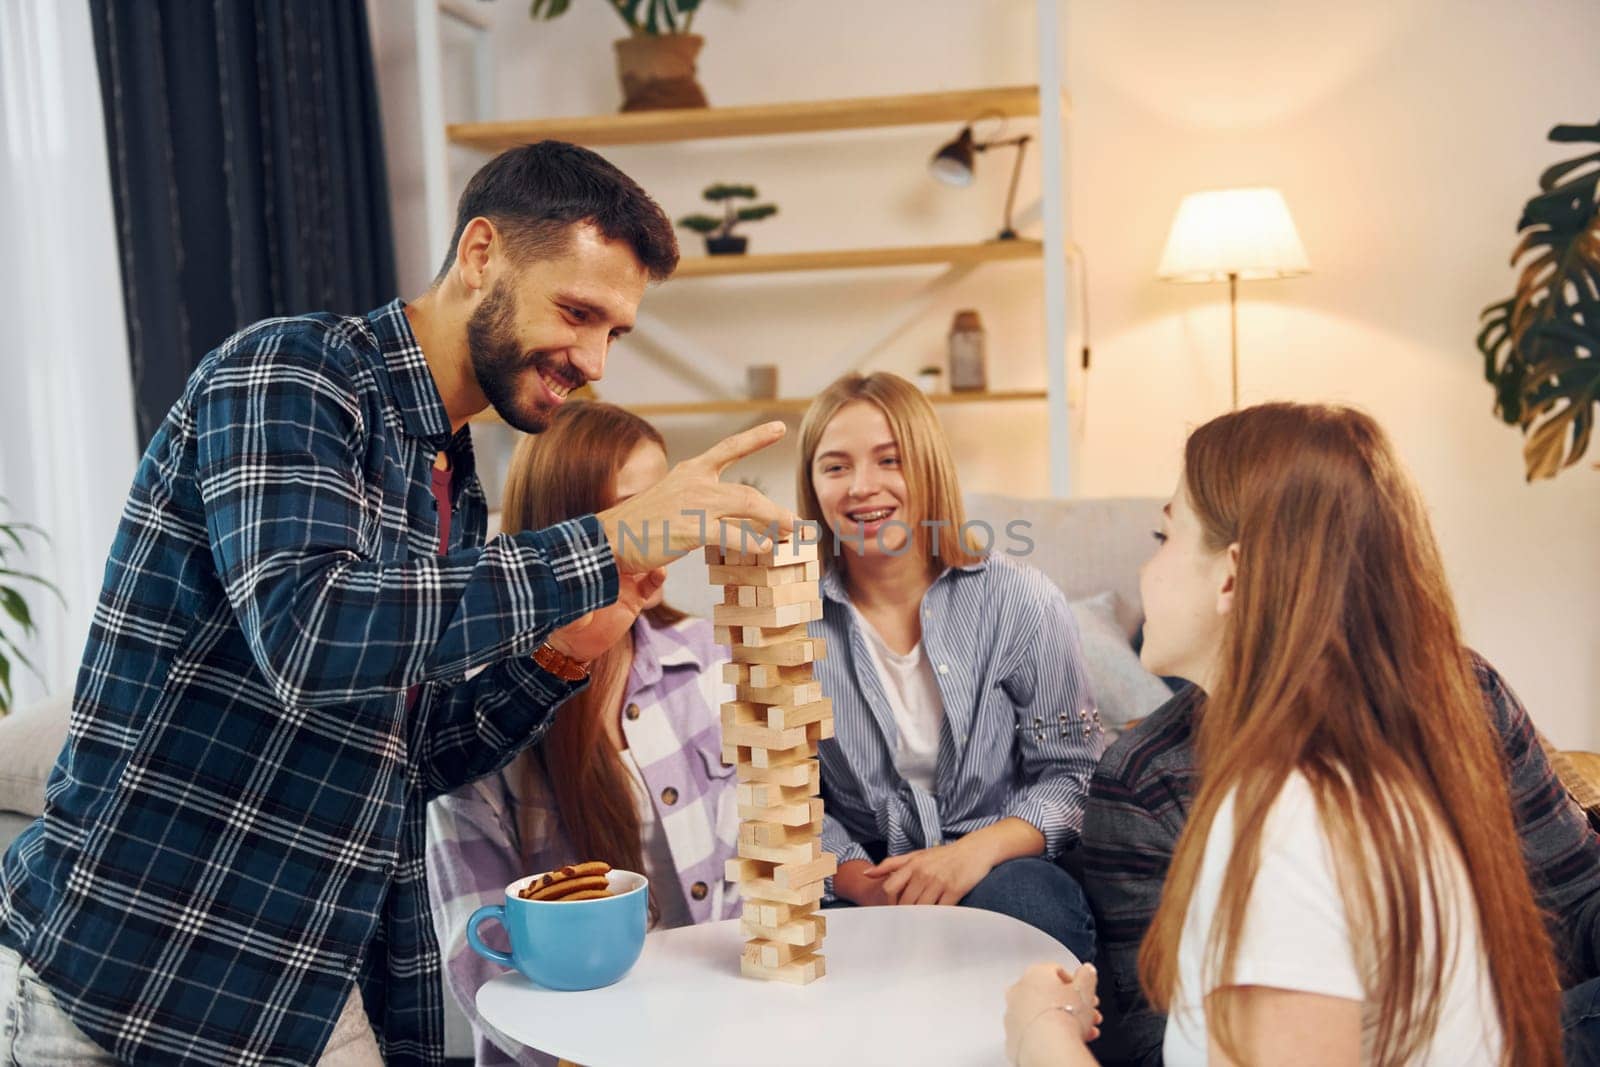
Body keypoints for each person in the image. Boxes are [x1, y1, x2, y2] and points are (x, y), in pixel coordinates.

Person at [0, 140, 793, 1065]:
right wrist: (610, 537)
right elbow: (310, 632)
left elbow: (411, 759)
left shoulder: (450, 479)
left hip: (305, 984)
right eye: (578, 313)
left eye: (615, 331)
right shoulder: (291, 376)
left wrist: (560, 656)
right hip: (138, 971)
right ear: (481, 253)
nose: (594, 361)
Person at [1006, 402, 1564, 1066]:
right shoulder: (1375, 777)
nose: (1144, 572)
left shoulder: (1289, 824)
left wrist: (1043, 1034)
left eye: (1165, 538)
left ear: (1232, 575)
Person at [427, 402, 741, 1066]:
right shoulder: (481, 716)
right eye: (638, 515)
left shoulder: (708, 662)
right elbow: (476, 950)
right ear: (566, 535)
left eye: (670, 508)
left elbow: (753, 880)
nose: (663, 538)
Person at [797, 372, 1101, 960]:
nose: (862, 487)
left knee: (1030, 907)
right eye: (835, 467)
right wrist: (862, 882)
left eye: (890, 460)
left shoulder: (1020, 599)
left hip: (997, 858)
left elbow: (1074, 777)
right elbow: (781, 794)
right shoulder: (789, 621)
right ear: (812, 485)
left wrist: (972, 854)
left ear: (929, 468)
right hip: (859, 872)